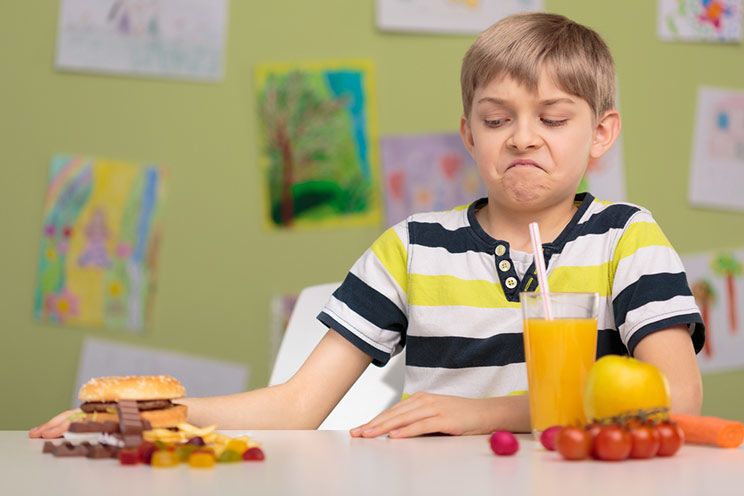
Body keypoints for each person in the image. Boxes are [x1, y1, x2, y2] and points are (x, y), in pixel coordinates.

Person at [30, 12, 704, 440]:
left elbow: (674, 395)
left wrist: (482, 414)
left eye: (553, 119)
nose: (523, 138)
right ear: (468, 135)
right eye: (498, 120)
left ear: (601, 134)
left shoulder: (626, 239)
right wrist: (148, 421)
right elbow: (297, 407)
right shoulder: (413, 248)